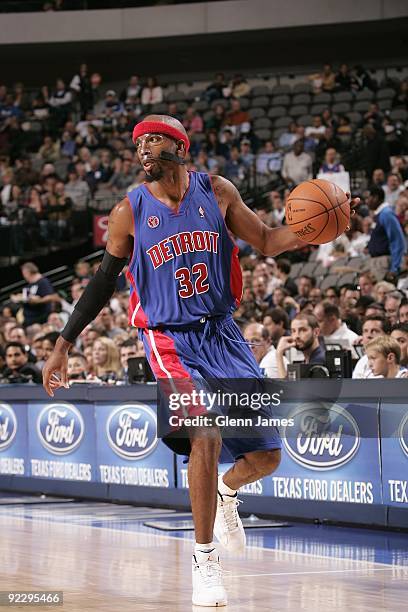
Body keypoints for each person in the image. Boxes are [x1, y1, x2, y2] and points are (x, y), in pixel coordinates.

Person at [42, 114, 358, 607]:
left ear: (180, 147)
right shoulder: (130, 209)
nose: (143, 149)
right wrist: (64, 341)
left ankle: (229, 494)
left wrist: (322, 229)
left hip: (223, 334)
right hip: (168, 338)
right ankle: (204, 560)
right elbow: (104, 281)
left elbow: (270, 240)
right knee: (204, 429)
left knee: (266, 457)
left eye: (154, 140)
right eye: (138, 143)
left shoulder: (218, 191)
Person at [366, 186, 406, 274]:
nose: (366, 201)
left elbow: (397, 240)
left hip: (386, 262)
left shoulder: (386, 214)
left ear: (375, 198)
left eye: (368, 198)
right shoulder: (380, 214)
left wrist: (395, 267)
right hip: (378, 262)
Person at [275, 313, 326, 378]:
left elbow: (286, 388)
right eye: (293, 331)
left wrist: (279, 354)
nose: (296, 336)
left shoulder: (319, 361)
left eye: (302, 330)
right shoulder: (308, 360)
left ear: (316, 332)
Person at [12, 262, 60, 326]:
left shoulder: (43, 282)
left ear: (28, 272)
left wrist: (38, 301)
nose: (24, 276)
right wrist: (19, 298)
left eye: (24, 273)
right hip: (29, 319)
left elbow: (52, 297)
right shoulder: (28, 285)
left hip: (41, 318)